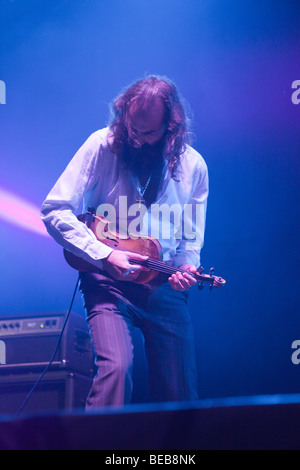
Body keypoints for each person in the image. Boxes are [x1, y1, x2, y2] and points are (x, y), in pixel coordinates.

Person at [41, 75, 209, 409]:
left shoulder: (195, 166)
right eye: (131, 128)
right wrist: (103, 254)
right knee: (116, 372)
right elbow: (55, 209)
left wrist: (188, 266)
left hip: (162, 286)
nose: (135, 139)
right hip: (107, 281)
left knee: (181, 392)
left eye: (146, 133)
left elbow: (190, 236)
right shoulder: (102, 144)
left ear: (170, 129)